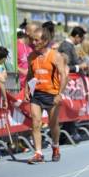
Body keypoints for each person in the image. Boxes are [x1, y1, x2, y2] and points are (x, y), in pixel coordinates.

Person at [25, 26, 68, 164]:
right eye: (32, 40)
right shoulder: (31, 56)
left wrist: (59, 94)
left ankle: (55, 147)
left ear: (45, 40)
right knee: (35, 123)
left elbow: (64, 75)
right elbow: (30, 74)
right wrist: (27, 89)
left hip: (52, 94)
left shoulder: (55, 56)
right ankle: (38, 153)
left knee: (53, 124)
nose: (34, 42)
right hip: (36, 94)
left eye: (36, 40)